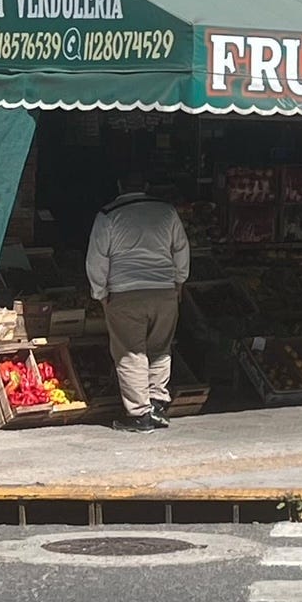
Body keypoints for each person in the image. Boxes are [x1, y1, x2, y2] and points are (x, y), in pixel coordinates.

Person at [85, 168, 190, 434]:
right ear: (146, 185)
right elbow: (180, 249)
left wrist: (100, 293)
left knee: (130, 352)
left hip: (125, 293)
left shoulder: (108, 215)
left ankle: (140, 415)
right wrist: (179, 282)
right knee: (160, 348)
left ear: (120, 185)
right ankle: (156, 402)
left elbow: (97, 258)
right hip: (164, 291)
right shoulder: (167, 211)